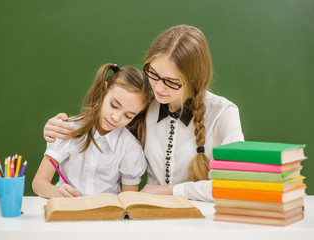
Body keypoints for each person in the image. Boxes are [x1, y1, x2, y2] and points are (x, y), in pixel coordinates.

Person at [43, 25, 244, 201]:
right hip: (152, 216)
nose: (158, 88)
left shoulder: (223, 114)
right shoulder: (143, 104)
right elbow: (104, 125)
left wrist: (171, 191)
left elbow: (235, 184)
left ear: (194, 80)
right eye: (153, 74)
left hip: (207, 220)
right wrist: (55, 128)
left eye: (171, 82)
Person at [32, 63, 153, 198]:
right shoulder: (68, 129)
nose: (116, 118)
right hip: (67, 212)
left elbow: (129, 200)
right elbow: (38, 183)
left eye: (128, 116)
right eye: (114, 105)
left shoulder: (130, 147)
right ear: (103, 90)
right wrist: (56, 192)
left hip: (106, 216)